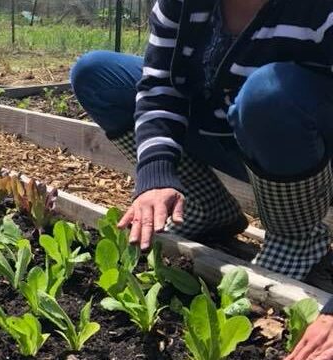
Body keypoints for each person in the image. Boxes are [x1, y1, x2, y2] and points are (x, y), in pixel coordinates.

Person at [70, 0, 333, 358]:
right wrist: (158, 174)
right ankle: (203, 206)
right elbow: (161, 86)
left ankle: (296, 234)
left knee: (266, 96)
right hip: (224, 134)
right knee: (96, 74)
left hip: (298, 150)